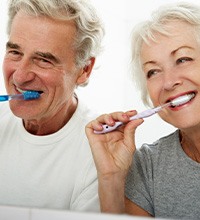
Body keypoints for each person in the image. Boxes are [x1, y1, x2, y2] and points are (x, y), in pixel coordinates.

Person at [86, 1, 200, 219]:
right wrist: (111, 178)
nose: (168, 82)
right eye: (153, 71)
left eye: (183, 59)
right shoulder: (147, 165)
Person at [0, 0, 104, 212]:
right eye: (15, 53)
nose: (20, 76)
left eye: (43, 60)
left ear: (84, 69)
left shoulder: (100, 153)